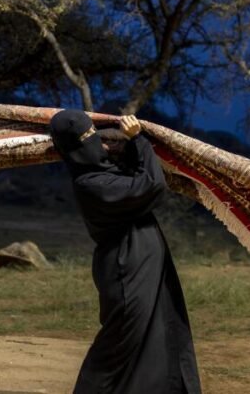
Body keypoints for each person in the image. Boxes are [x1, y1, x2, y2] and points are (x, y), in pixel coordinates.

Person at [49, 110, 201, 394]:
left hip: (142, 264)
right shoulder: (91, 183)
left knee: (157, 333)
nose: (96, 142)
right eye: (86, 137)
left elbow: (134, 171)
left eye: (93, 133)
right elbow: (151, 185)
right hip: (126, 269)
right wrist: (139, 140)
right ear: (74, 147)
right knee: (120, 344)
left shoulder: (104, 171)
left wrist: (131, 144)